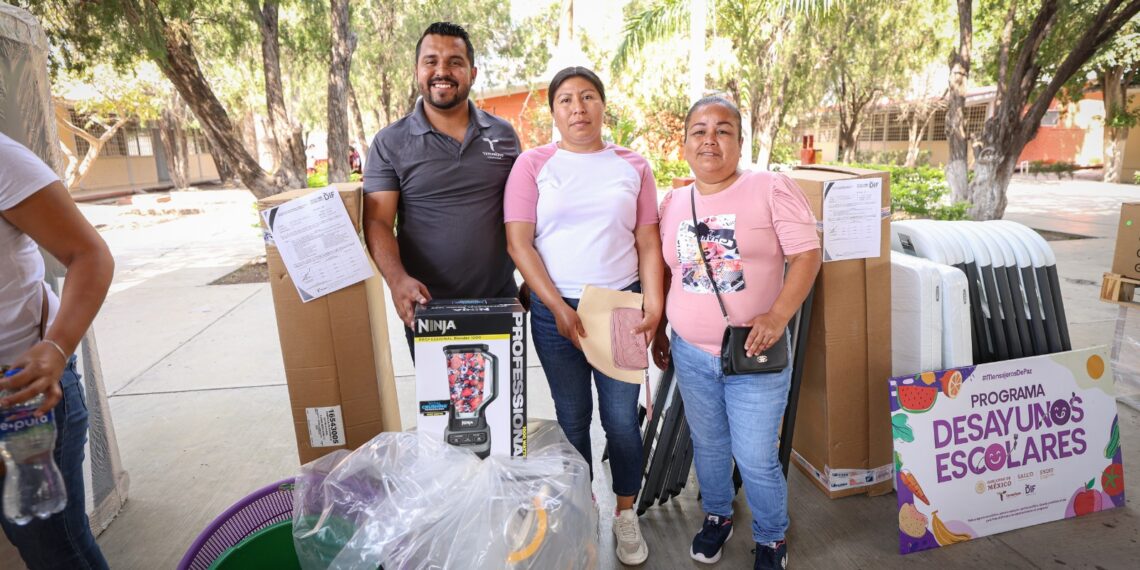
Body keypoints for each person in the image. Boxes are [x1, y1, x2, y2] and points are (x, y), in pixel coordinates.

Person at [651, 96, 821, 570]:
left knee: (754, 455)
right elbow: (670, 272)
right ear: (684, 143)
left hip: (754, 354)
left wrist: (777, 316)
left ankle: (771, 538)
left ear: (740, 142)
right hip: (691, 352)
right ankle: (718, 516)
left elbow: (807, 255)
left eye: (723, 130)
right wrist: (664, 329)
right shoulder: (674, 202)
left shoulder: (770, 188)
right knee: (709, 445)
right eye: (699, 130)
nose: (710, 139)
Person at [504, 66, 663, 566]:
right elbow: (518, 241)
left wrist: (654, 305)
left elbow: (648, 240)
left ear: (602, 105)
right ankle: (581, 511)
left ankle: (624, 514)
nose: (578, 108)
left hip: (619, 306)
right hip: (555, 313)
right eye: (567, 100)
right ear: (553, 112)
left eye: (588, 97)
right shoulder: (533, 165)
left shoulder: (632, 165)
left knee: (620, 421)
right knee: (573, 420)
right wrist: (554, 305)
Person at [362, 21, 521, 358]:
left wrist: (536, 279)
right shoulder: (390, 143)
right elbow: (377, 222)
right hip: (427, 307)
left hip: (500, 302)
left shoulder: (504, 136)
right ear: (418, 70)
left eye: (455, 62)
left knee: (502, 407)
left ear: (473, 73)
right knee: (442, 409)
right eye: (431, 61)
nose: (442, 71)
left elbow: (525, 214)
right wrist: (397, 280)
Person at [0, 132, 114, 569]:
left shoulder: (4, 161)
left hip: (23, 394)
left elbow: (90, 254)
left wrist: (56, 347)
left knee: (53, 547)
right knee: (21, 531)